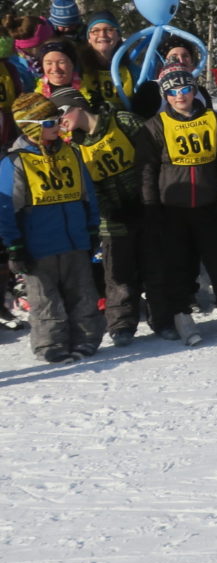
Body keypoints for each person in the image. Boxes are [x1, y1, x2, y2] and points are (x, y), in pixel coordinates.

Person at [135, 66, 217, 345]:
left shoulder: (212, 119)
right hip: (173, 209)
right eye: (173, 91)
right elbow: (146, 170)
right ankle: (183, 317)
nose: (180, 95)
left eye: (185, 89)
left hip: (209, 205)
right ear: (166, 96)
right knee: (178, 266)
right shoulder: (155, 126)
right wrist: (150, 206)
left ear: (194, 90)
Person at [0, 93, 102, 362]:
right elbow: (7, 210)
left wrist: (92, 228)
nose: (57, 126)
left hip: (75, 240)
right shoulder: (15, 162)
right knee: (46, 300)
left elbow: (87, 194)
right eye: (48, 123)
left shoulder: (71, 153)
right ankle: (51, 345)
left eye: (56, 120)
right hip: (39, 246)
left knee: (82, 294)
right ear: (32, 126)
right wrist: (14, 247)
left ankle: (86, 339)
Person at [56, 87, 145, 346]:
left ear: (78, 105)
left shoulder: (123, 121)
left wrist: (147, 197)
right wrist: (107, 210)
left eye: (61, 112)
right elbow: (87, 189)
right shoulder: (73, 146)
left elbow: (154, 156)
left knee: (157, 265)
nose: (60, 120)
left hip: (145, 206)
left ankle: (165, 317)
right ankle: (121, 324)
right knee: (117, 274)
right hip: (112, 216)